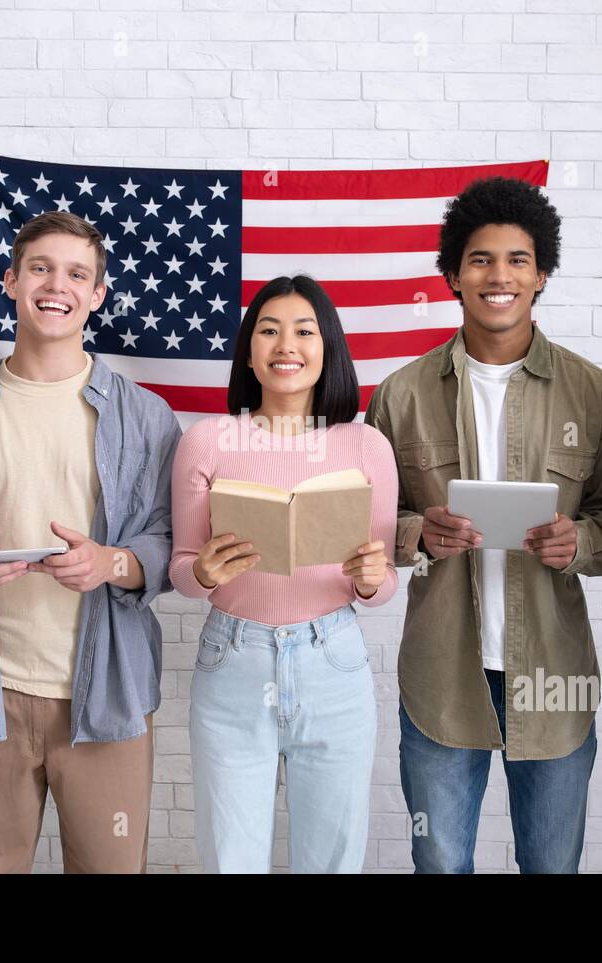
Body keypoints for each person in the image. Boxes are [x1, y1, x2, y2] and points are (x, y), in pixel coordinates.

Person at [0, 211, 181, 873]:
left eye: (77, 273)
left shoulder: (147, 417)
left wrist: (113, 561)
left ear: (98, 293)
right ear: (12, 279)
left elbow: (172, 540)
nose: (58, 285)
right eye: (41, 268)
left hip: (108, 694)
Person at [365, 176, 602, 873]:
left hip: (554, 672)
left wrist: (583, 542)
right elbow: (363, 522)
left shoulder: (596, 394)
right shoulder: (401, 395)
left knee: (551, 865)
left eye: (518, 259)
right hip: (441, 672)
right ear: (453, 273)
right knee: (441, 864)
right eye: (481, 258)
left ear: (541, 272)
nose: (499, 275)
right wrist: (415, 534)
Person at [169, 274, 398, 872]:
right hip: (233, 659)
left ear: (328, 350)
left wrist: (373, 576)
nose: (285, 344)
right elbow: (181, 570)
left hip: (334, 660)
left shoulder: (364, 445)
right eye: (268, 330)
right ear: (249, 350)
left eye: (304, 331)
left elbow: (382, 583)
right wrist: (208, 573)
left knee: (332, 856)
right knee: (230, 854)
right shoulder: (207, 440)